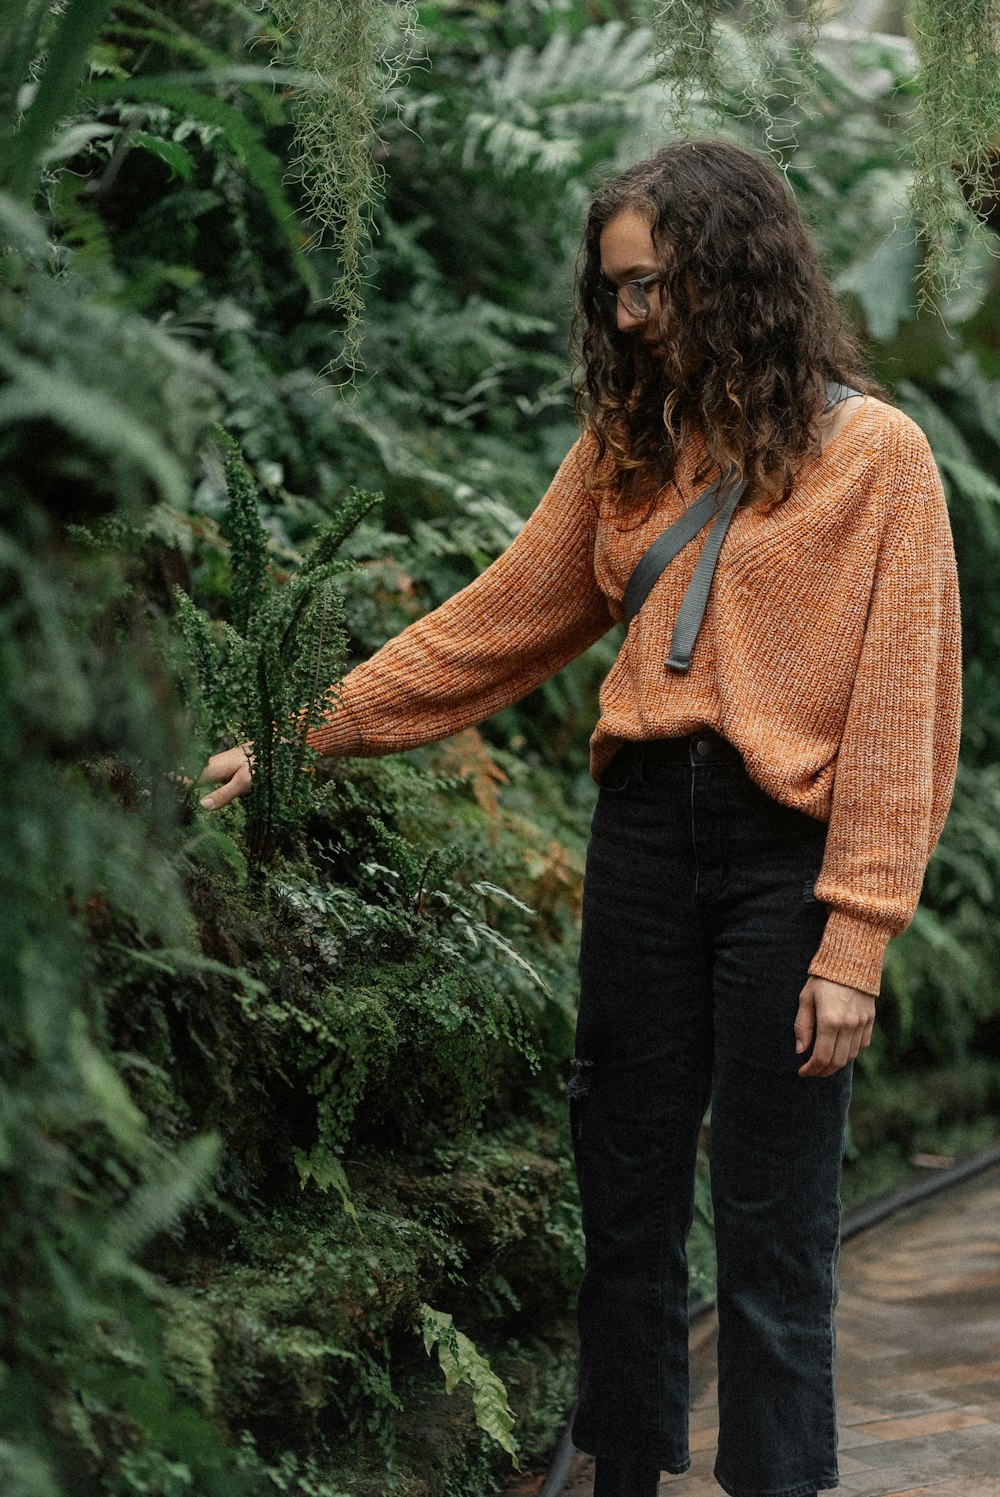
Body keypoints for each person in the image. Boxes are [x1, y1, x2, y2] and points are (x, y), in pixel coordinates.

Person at [198, 140, 961, 1497]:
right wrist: (299, 727)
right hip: (645, 846)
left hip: (790, 864)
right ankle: (621, 1478)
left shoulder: (879, 458)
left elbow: (905, 717)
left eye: (650, 285)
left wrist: (859, 938)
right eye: (611, 291)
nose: (626, 318)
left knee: (777, 1224)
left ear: (735, 269)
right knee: (624, 1190)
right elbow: (496, 622)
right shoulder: (627, 452)